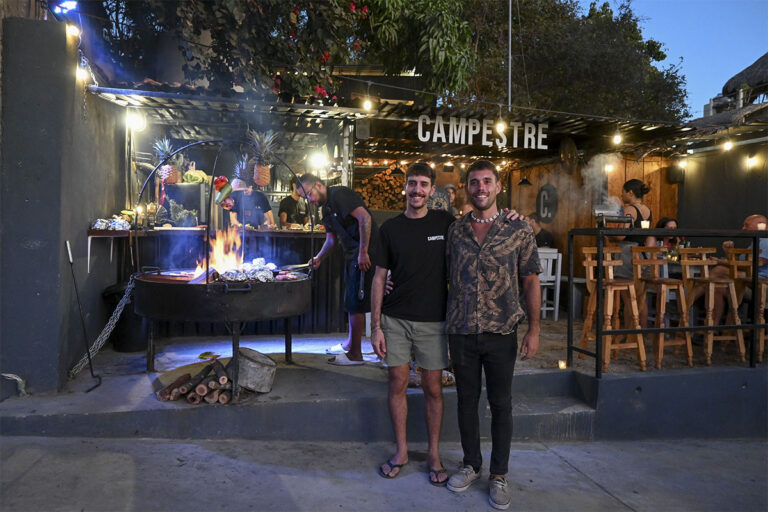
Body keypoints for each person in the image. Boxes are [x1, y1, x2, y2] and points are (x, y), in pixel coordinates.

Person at [445, 160, 541, 510]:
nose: (481, 188)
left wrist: (534, 328)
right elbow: (438, 274)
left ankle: (499, 474)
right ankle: (471, 463)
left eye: (487, 181)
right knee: (466, 401)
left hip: (502, 330)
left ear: (499, 186)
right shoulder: (456, 231)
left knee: (501, 404)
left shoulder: (519, 230)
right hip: (462, 329)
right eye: (474, 182)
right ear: (467, 188)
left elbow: (531, 280)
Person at [370, 163, 455, 486]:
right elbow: (379, 277)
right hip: (395, 320)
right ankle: (402, 451)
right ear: (404, 188)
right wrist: (376, 326)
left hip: (434, 320)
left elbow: (478, 230)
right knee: (397, 382)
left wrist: (509, 218)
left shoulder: (445, 223)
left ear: (432, 190)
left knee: (433, 387)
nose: (417, 190)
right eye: (412, 184)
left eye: (423, 184)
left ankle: (433, 454)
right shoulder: (390, 228)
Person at [298, 174, 379, 365]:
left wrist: (363, 252)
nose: (310, 200)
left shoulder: (340, 194)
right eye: (306, 198)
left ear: (319, 185)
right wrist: (319, 257)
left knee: (356, 302)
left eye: (309, 194)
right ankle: (351, 344)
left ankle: (356, 355)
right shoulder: (325, 209)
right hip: (352, 253)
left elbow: (365, 218)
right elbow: (331, 240)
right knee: (350, 300)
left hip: (366, 251)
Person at [707, 214, 768, 326]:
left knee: (718, 271)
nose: (743, 228)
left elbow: (751, 265)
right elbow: (738, 266)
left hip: (761, 287)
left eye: (746, 225)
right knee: (717, 288)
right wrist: (728, 252)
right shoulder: (755, 242)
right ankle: (715, 327)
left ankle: (687, 307)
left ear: (761, 226)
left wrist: (721, 262)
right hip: (748, 284)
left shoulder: (765, 241)